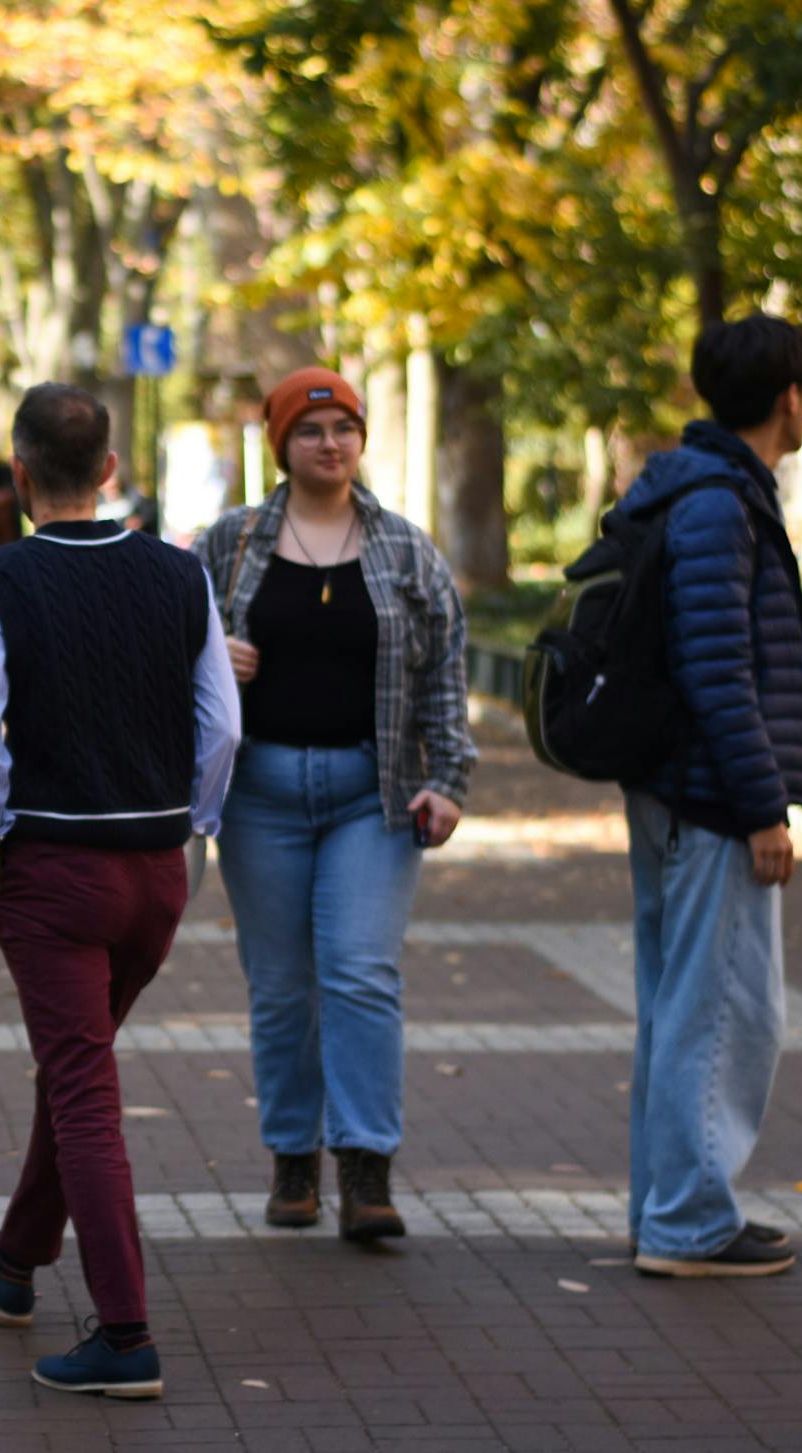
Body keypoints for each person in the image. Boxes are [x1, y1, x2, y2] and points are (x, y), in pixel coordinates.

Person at [0, 384, 239, 1399]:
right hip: (155, 870)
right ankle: (16, 1256)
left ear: (19, 473)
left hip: (50, 868)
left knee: (80, 1088)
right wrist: (190, 825)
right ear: (109, 469)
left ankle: (124, 1330)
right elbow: (223, 726)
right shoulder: (178, 573)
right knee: (77, 1064)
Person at [191, 367, 475, 1245]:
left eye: (345, 427)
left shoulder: (405, 548)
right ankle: (291, 1160)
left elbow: (444, 674)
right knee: (280, 988)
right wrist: (210, 656)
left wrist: (450, 779)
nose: (330, 443)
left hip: (373, 795)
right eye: (311, 430)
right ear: (282, 443)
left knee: (359, 972)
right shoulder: (230, 543)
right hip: (259, 798)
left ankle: (366, 1170)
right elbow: (167, 653)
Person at [609, 313, 802, 1278]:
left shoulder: (690, 490)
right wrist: (763, 804)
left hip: (669, 783)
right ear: (791, 397)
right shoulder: (721, 503)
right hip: (708, 791)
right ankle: (690, 1219)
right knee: (724, 1008)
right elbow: (719, 670)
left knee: (679, 1000)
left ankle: (666, 1209)